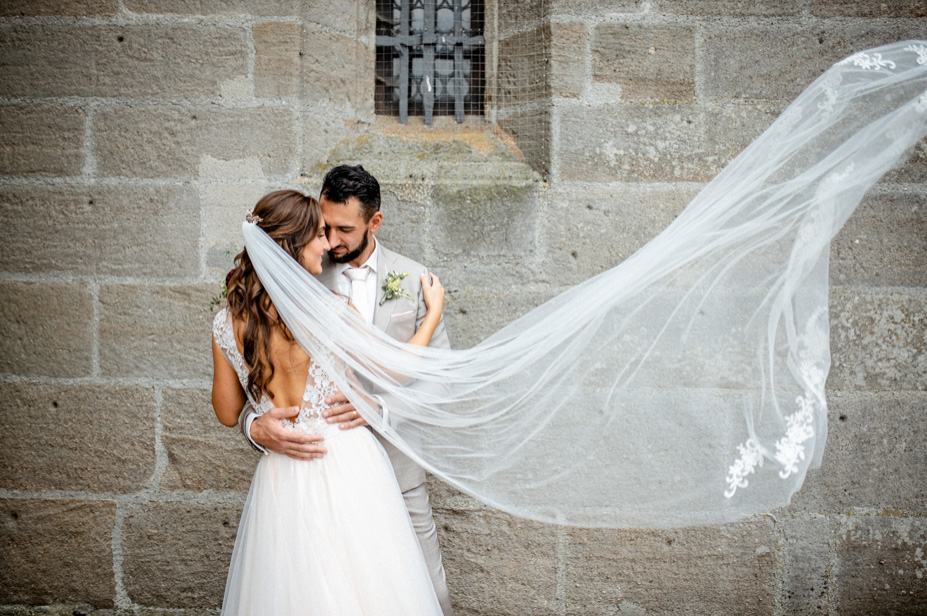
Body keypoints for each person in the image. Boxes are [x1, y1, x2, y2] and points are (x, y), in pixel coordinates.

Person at [211, 190, 445, 615]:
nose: (328, 245)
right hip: (346, 464)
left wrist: (256, 422)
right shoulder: (330, 310)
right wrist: (431, 314)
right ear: (293, 246)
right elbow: (396, 368)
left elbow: (228, 413)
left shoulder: (227, 321)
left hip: (281, 475)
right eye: (319, 236)